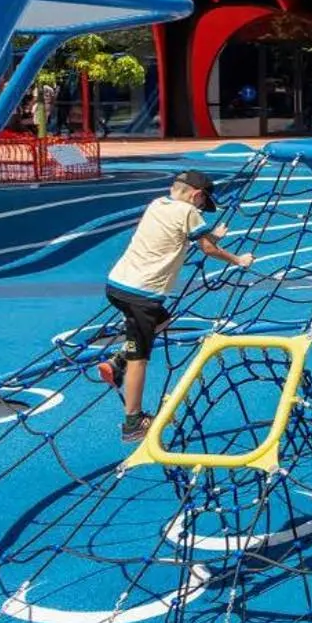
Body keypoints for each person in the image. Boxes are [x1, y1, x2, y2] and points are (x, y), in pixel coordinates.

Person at [97, 170, 253, 442]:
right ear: (197, 195)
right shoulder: (188, 212)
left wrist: (212, 235)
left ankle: (118, 360)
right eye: (203, 204)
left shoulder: (157, 204)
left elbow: (178, 238)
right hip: (142, 295)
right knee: (140, 359)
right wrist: (238, 260)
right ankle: (133, 423)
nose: (202, 209)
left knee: (162, 320)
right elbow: (207, 249)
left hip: (117, 285)